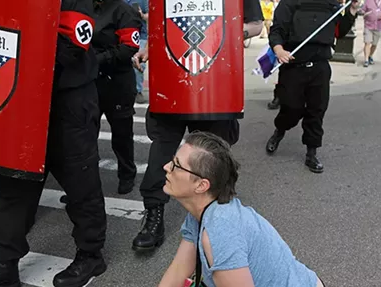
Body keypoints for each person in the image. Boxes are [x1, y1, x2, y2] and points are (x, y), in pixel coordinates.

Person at [140, 131, 334, 287]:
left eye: (177, 166)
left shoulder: (219, 234)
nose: (167, 166)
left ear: (201, 185)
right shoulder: (206, 207)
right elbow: (181, 266)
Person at [0, 0, 108, 287]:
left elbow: (73, 45)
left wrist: (22, 52)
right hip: (21, 97)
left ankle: (91, 255)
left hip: (67, 101)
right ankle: (4, 264)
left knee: (80, 182)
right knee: (13, 183)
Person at [130, 0, 263, 252]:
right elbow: (163, 27)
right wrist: (149, 49)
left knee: (213, 157)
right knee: (161, 154)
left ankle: (218, 218)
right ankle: (153, 216)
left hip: (215, 85)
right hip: (172, 85)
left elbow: (256, 26)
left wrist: (233, 31)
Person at [265, 0, 357, 173]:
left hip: (320, 67)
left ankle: (311, 153)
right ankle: (280, 129)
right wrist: (279, 50)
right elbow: (277, 30)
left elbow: (341, 31)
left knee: (317, 110)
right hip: (293, 67)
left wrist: (352, 10)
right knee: (291, 109)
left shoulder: (331, 4)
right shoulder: (289, 3)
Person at [93, 0, 143, 195]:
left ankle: (127, 175)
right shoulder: (84, 7)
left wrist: (97, 59)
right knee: (85, 135)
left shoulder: (125, 11)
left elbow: (129, 47)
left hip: (117, 83)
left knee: (121, 135)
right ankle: (84, 184)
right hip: (90, 81)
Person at [128, 0, 149, 104]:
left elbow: (151, 15)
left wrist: (141, 15)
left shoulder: (143, 1)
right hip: (122, 33)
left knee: (139, 63)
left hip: (140, 35)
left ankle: (138, 91)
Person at [360, 0, 381, 67]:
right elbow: (362, 10)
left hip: (378, 26)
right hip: (368, 25)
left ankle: (370, 56)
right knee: (367, 42)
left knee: (374, 44)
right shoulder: (368, 1)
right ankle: (366, 60)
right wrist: (365, 14)